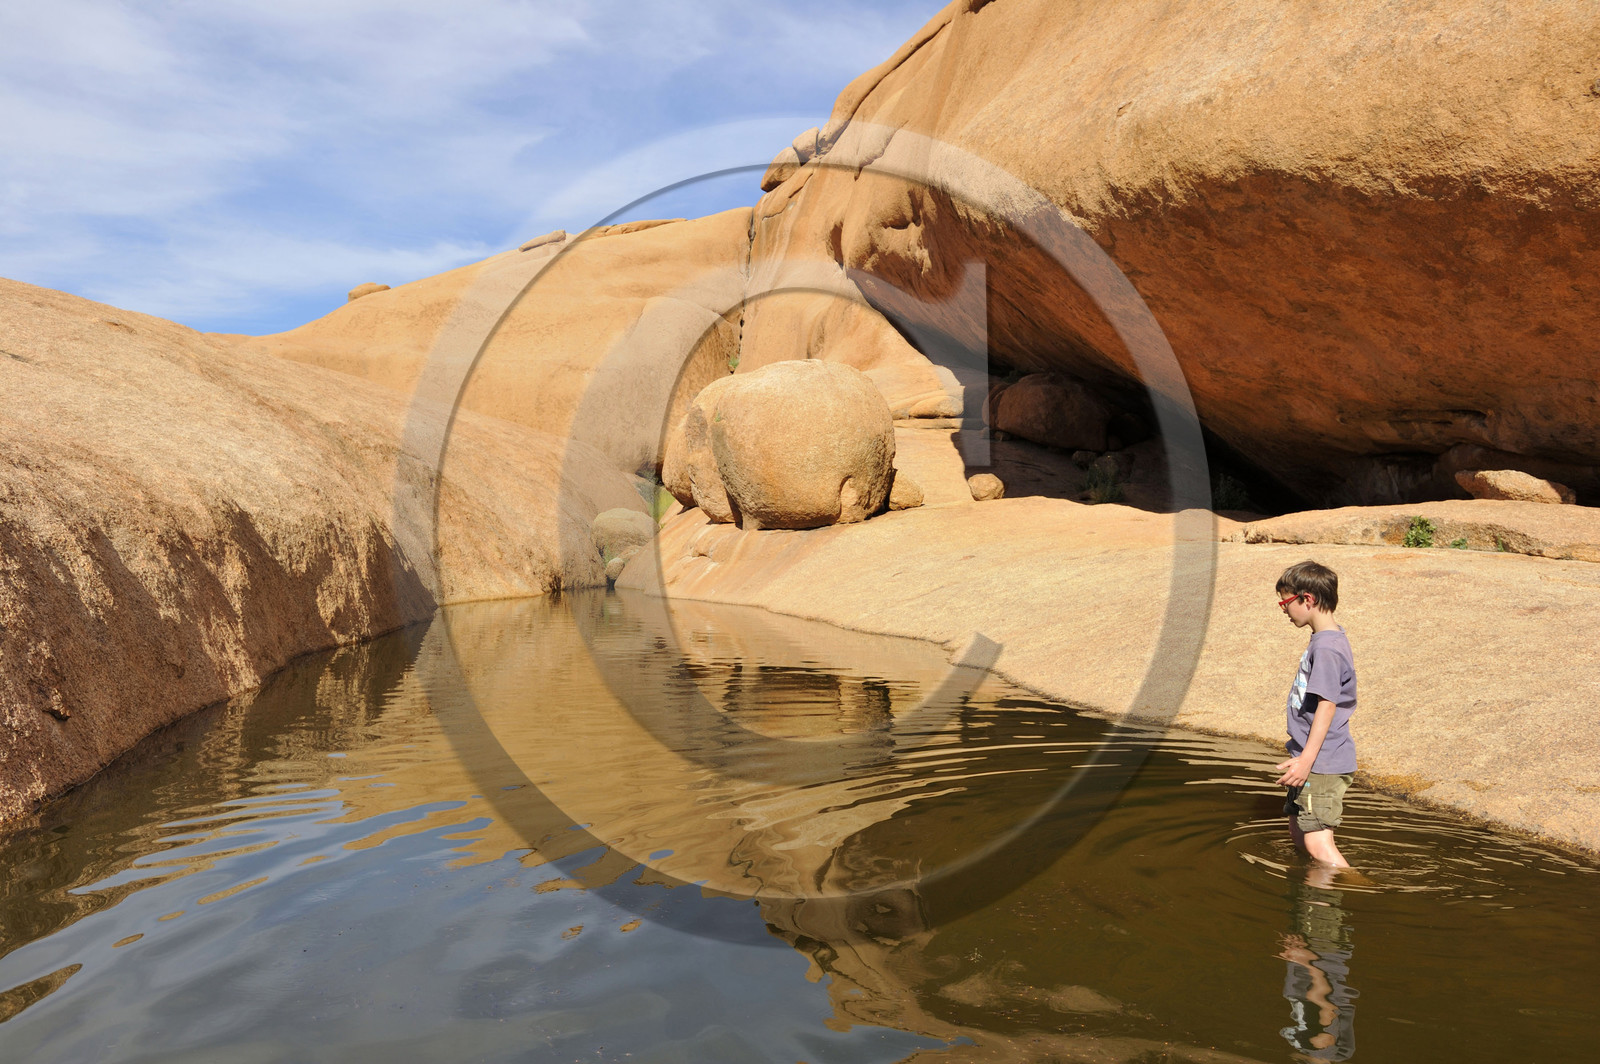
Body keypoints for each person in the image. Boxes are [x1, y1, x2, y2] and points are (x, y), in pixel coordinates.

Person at [1274, 560, 1357, 868]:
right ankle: (1310, 892)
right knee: (1298, 830)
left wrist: (1307, 760)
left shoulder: (1328, 648)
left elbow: (1327, 704)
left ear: (1306, 599)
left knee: (1317, 841)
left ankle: (1357, 889)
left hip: (1321, 763)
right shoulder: (1324, 641)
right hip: (1310, 759)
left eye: (1285, 602)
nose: (1283, 609)